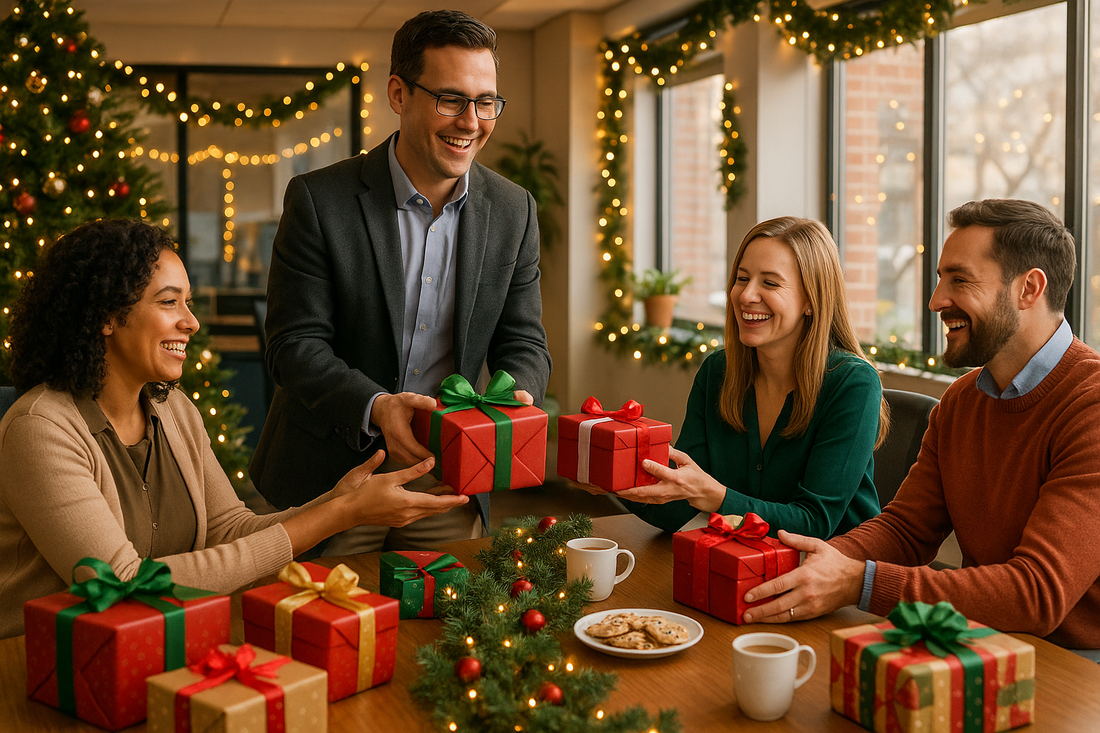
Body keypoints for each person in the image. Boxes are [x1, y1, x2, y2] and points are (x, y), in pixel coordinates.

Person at [0, 219, 468, 638]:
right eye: (169, 302)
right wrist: (339, 515)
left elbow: (229, 529)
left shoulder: (174, 410)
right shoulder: (40, 428)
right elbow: (123, 586)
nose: (191, 322)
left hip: (160, 645)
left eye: (188, 303)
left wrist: (340, 501)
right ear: (106, 315)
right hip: (37, 665)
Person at [250, 9, 551, 553]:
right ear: (399, 94)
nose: (471, 122)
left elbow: (524, 340)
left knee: (446, 606)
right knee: (327, 608)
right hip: (335, 476)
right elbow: (294, 345)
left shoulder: (515, 210)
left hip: (449, 480)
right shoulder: (319, 200)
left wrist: (515, 398)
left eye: (485, 102)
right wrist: (376, 406)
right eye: (450, 99)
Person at [741, 199, 1100, 655]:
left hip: (1076, 665)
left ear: (1029, 288)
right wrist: (820, 561)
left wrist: (857, 582)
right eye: (940, 279)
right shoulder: (963, 399)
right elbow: (906, 530)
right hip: (983, 642)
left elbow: (1036, 594)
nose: (936, 301)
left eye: (960, 280)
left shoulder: (1090, 406)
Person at [614, 217, 887, 538]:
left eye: (770, 283)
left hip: (835, 562)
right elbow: (681, 505)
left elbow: (815, 522)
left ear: (811, 300)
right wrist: (615, 474)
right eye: (742, 278)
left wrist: (718, 498)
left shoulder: (854, 383)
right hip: (738, 556)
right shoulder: (717, 372)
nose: (745, 295)